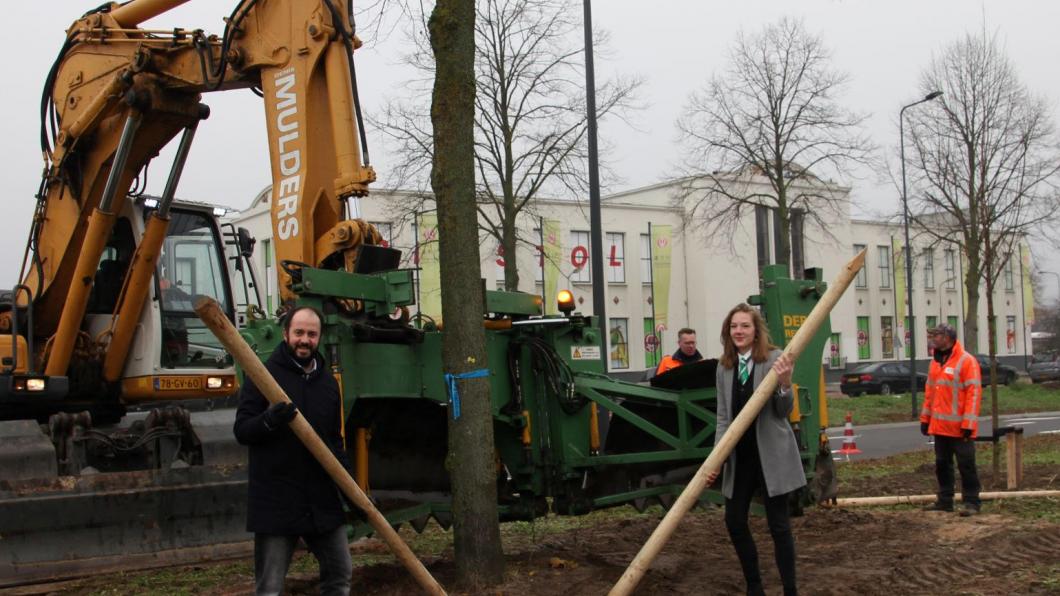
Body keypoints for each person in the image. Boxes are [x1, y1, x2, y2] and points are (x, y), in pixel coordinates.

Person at [234, 306, 354, 596]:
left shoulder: (328, 384)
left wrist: (352, 492)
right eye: (299, 332)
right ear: (286, 333)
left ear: (319, 338)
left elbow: (334, 442)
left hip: (321, 501)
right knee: (270, 588)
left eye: (312, 334)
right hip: (277, 500)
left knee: (340, 576)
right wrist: (268, 420)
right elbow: (242, 431)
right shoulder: (264, 376)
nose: (305, 340)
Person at [706, 303, 803, 596]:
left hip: (772, 456)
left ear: (755, 330)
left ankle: (790, 590)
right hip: (741, 458)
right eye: (734, 326)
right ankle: (755, 586)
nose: (739, 331)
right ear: (728, 331)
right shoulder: (724, 368)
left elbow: (783, 411)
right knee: (734, 521)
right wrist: (717, 459)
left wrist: (785, 384)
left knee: (779, 526)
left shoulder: (774, 359)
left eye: (745, 326)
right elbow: (723, 417)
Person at [920, 323, 982, 517]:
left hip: (959, 429)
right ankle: (945, 500)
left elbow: (973, 394)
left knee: (966, 466)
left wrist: (968, 424)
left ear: (947, 337)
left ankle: (972, 502)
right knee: (942, 465)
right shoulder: (935, 363)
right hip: (940, 428)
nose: (933, 339)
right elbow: (930, 394)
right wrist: (925, 418)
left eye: (936, 335)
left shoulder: (966, 361)